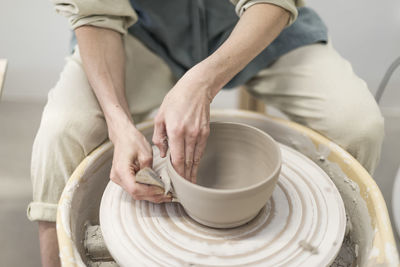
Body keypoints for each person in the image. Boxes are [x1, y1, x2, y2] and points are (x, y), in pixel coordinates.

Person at [27, 0, 384, 266]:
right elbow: (97, 13)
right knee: (64, 130)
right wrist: (119, 125)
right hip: (141, 32)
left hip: (252, 24)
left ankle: (336, 250)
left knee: (356, 124)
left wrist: (204, 82)